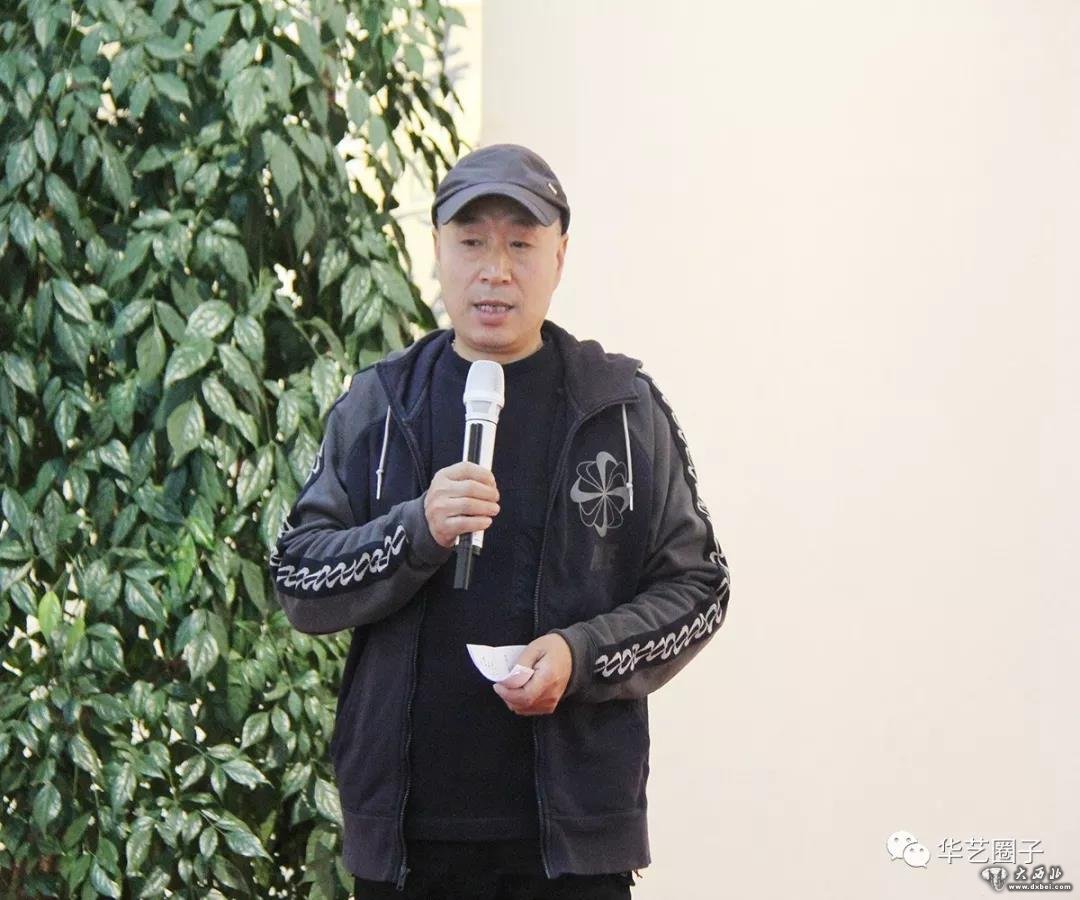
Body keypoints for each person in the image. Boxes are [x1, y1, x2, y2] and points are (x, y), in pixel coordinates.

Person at [268, 144, 731, 899]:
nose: (495, 270)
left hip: (572, 848)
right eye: (472, 242)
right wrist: (415, 531)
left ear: (560, 256)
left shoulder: (621, 406)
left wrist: (581, 655)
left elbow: (700, 589)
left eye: (520, 244)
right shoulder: (380, 403)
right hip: (409, 845)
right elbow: (298, 579)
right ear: (438, 251)